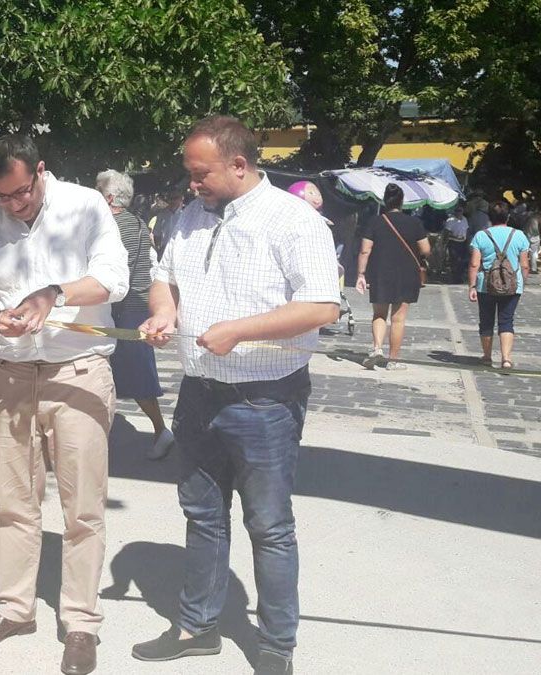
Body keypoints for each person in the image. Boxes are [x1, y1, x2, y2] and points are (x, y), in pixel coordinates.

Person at [132, 116, 339, 675]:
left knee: (269, 526)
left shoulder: (295, 222)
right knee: (201, 515)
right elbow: (164, 275)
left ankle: (276, 645)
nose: (191, 182)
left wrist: (238, 330)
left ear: (239, 166)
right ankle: (196, 626)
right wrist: (164, 311)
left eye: (200, 173)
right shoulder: (188, 216)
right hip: (199, 392)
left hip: (265, 401)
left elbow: (322, 306)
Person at [0, 134, 128, 675]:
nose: (12, 205)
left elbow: (115, 279)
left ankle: (80, 622)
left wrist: (53, 293)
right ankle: (14, 608)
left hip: (77, 371)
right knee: (12, 502)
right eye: (1, 195)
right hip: (9, 374)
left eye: (20, 193)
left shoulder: (84, 205)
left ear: (41, 171)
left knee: (81, 508)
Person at [96, 169, 174, 460]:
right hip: (132, 306)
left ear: (110, 197)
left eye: (97, 190)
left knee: (134, 374)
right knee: (119, 373)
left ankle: (160, 431)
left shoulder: (117, 225)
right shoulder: (135, 222)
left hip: (126, 308)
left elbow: (116, 272)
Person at [355, 184, 431, 370]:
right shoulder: (414, 223)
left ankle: (377, 348)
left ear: (384, 200)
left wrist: (360, 274)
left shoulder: (374, 222)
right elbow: (426, 250)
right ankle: (393, 360)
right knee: (398, 318)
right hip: (407, 274)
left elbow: (365, 250)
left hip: (380, 272)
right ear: (402, 201)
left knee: (379, 314)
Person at [468, 202, 531, 369]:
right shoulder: (519, 235)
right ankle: (506, 359)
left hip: (485, 285)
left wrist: (472, 286)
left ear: (489, 217)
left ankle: (487, 357)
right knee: (507, 320)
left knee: (486, 321)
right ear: (508, 217)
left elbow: (475, 264)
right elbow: (524, 265)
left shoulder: (481, 236)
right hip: (512, 285)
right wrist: (522, 283)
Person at [150, 189, 186, 261]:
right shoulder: (162, 215)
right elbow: (156, 234)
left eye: (175, 198)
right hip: (164, 251)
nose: (173, 201)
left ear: (181, 198)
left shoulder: (185, 214)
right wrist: (159, 248)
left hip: (181, 251)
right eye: (170, 198)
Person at [443, 203, 470, 283]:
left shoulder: (465, 219)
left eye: (460, 211)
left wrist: (468, 242)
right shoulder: (450, 220)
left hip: (463, 242)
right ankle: (455, 278)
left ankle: (460, 277)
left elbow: (467, 230)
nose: (459, 212)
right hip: (453, 242)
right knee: (454, 261)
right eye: (457, 211)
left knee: (462, 261)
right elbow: (447, 232)